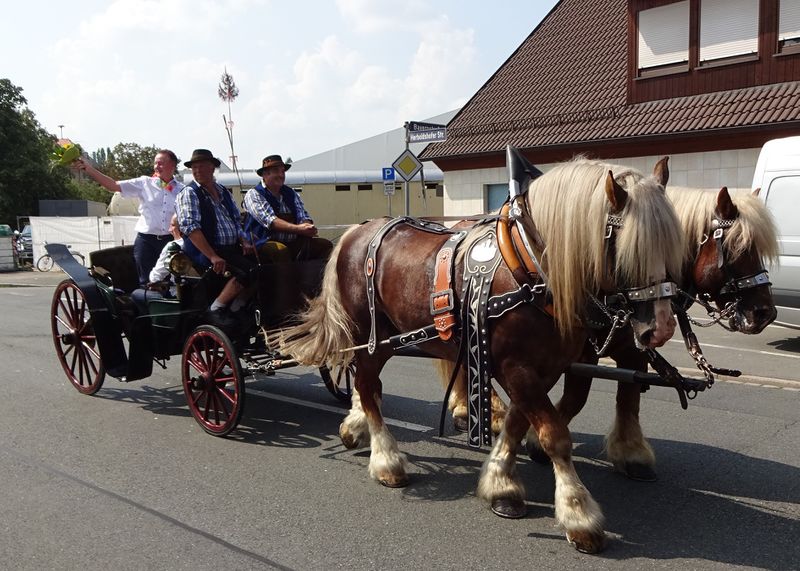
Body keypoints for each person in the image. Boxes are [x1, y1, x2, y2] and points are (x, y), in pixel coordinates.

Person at [74, 150, 184, 287]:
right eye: (155, 163)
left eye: (161, 163)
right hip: (147, 241)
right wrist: (89, 169)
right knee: (147, 283)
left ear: (172, 165)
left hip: (170, 241)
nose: (157, 166)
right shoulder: (144, 183)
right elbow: (113, 185)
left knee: (172, 282)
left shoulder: (182, 190)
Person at [175, 149, 255, 329]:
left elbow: (235, 220)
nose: (197, 171)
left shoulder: (223, 191)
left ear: (212, 168)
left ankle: (237, 306)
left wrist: (243, 240)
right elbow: (190, 228)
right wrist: (212, 256)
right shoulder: (190, 193)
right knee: (246, 272)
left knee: (264, 266)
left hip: (230, 249)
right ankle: (215, 309)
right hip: (204, 252)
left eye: (202, 166)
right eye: (194, 167)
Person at [243, 154, 333, 262]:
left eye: (283, 171)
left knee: (325, 245)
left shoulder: (291, 193)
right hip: (263, 243)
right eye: (276, 171)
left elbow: (302, 215)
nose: (281, 175)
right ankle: (288, 274)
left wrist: (307, 226)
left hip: (293, 241)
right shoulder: (254, 194)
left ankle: (316, 273)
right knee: (280, 250)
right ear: (265, 174)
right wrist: (300, 229)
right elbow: (271, 221)